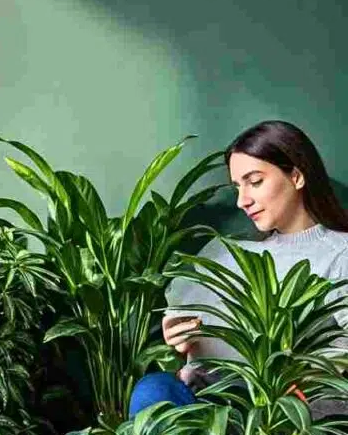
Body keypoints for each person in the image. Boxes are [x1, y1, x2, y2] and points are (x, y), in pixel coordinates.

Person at [129, 120, 348, 416]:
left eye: (255, 181)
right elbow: (183, 322)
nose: (242, 201)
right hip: (210, 404)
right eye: (237, 186)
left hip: (287, 409)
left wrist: (305, 374)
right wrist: (178, 339)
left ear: (296, 176)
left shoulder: (339, 252)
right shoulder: (222, 250)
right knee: (152, 389)